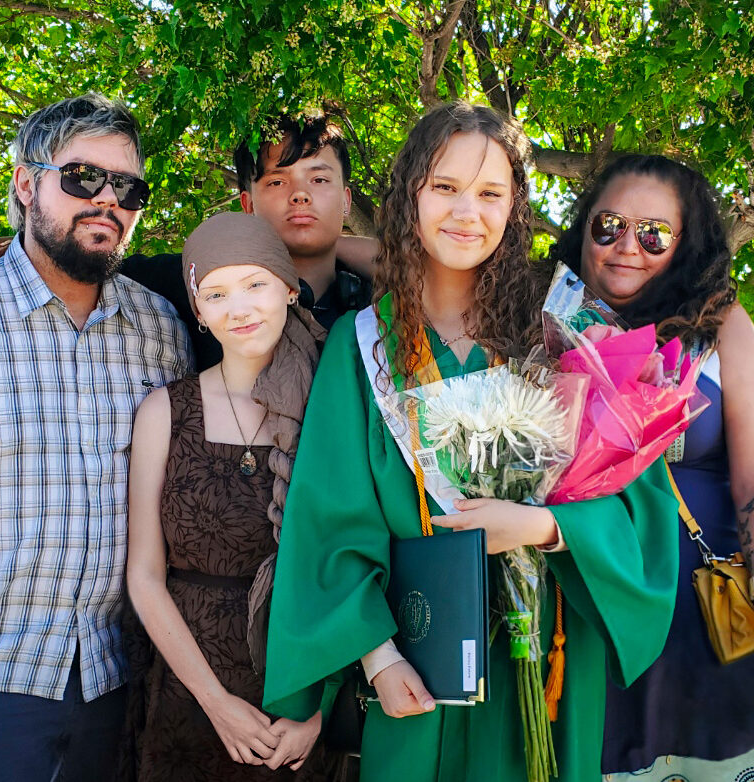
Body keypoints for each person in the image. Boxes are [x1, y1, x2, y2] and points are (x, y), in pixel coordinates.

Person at [262, 102, 679, 782]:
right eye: (445, 187)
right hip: (417, 653)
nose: (466, 212)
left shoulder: (566, 333)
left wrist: (543, 525)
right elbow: (329, 524)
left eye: (490, 193)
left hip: (543, 660)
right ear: (410, 198)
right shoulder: (362, 345)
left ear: (516, 207)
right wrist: (378, 657)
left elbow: (644, 508)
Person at [0, 93, 191, 781]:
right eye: (82, 178)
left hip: (116, 691)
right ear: (27, 184)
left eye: (128, 187)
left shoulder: (162, 327)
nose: (107, 199)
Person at [549, 154, 754, 781]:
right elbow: (419, 260)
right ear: (583, 227)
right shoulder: (542, 312)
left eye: (654, 234)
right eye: (608, 225)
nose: (626, 247)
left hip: (704, 611)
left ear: (686, 245)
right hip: (586, 605)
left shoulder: (721, 327)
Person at [0, 114, 375, 368]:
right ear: (245, 204)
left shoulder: (381, 298)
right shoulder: (187, 281)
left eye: (319, 180)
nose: (299, 197)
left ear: (348, 199)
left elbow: (432, 262)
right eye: (276, 181)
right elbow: (70, 248)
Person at [119, 211, 332, 781]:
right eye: (216, 293)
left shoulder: (333, 405)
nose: (239, 309)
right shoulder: (166, 411)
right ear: (199, 311)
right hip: (190, 695)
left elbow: (356, 563)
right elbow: (144, 574)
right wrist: (215, 702)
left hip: (301, 700)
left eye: (255, 284)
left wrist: (318, 712)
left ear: (289, 288)